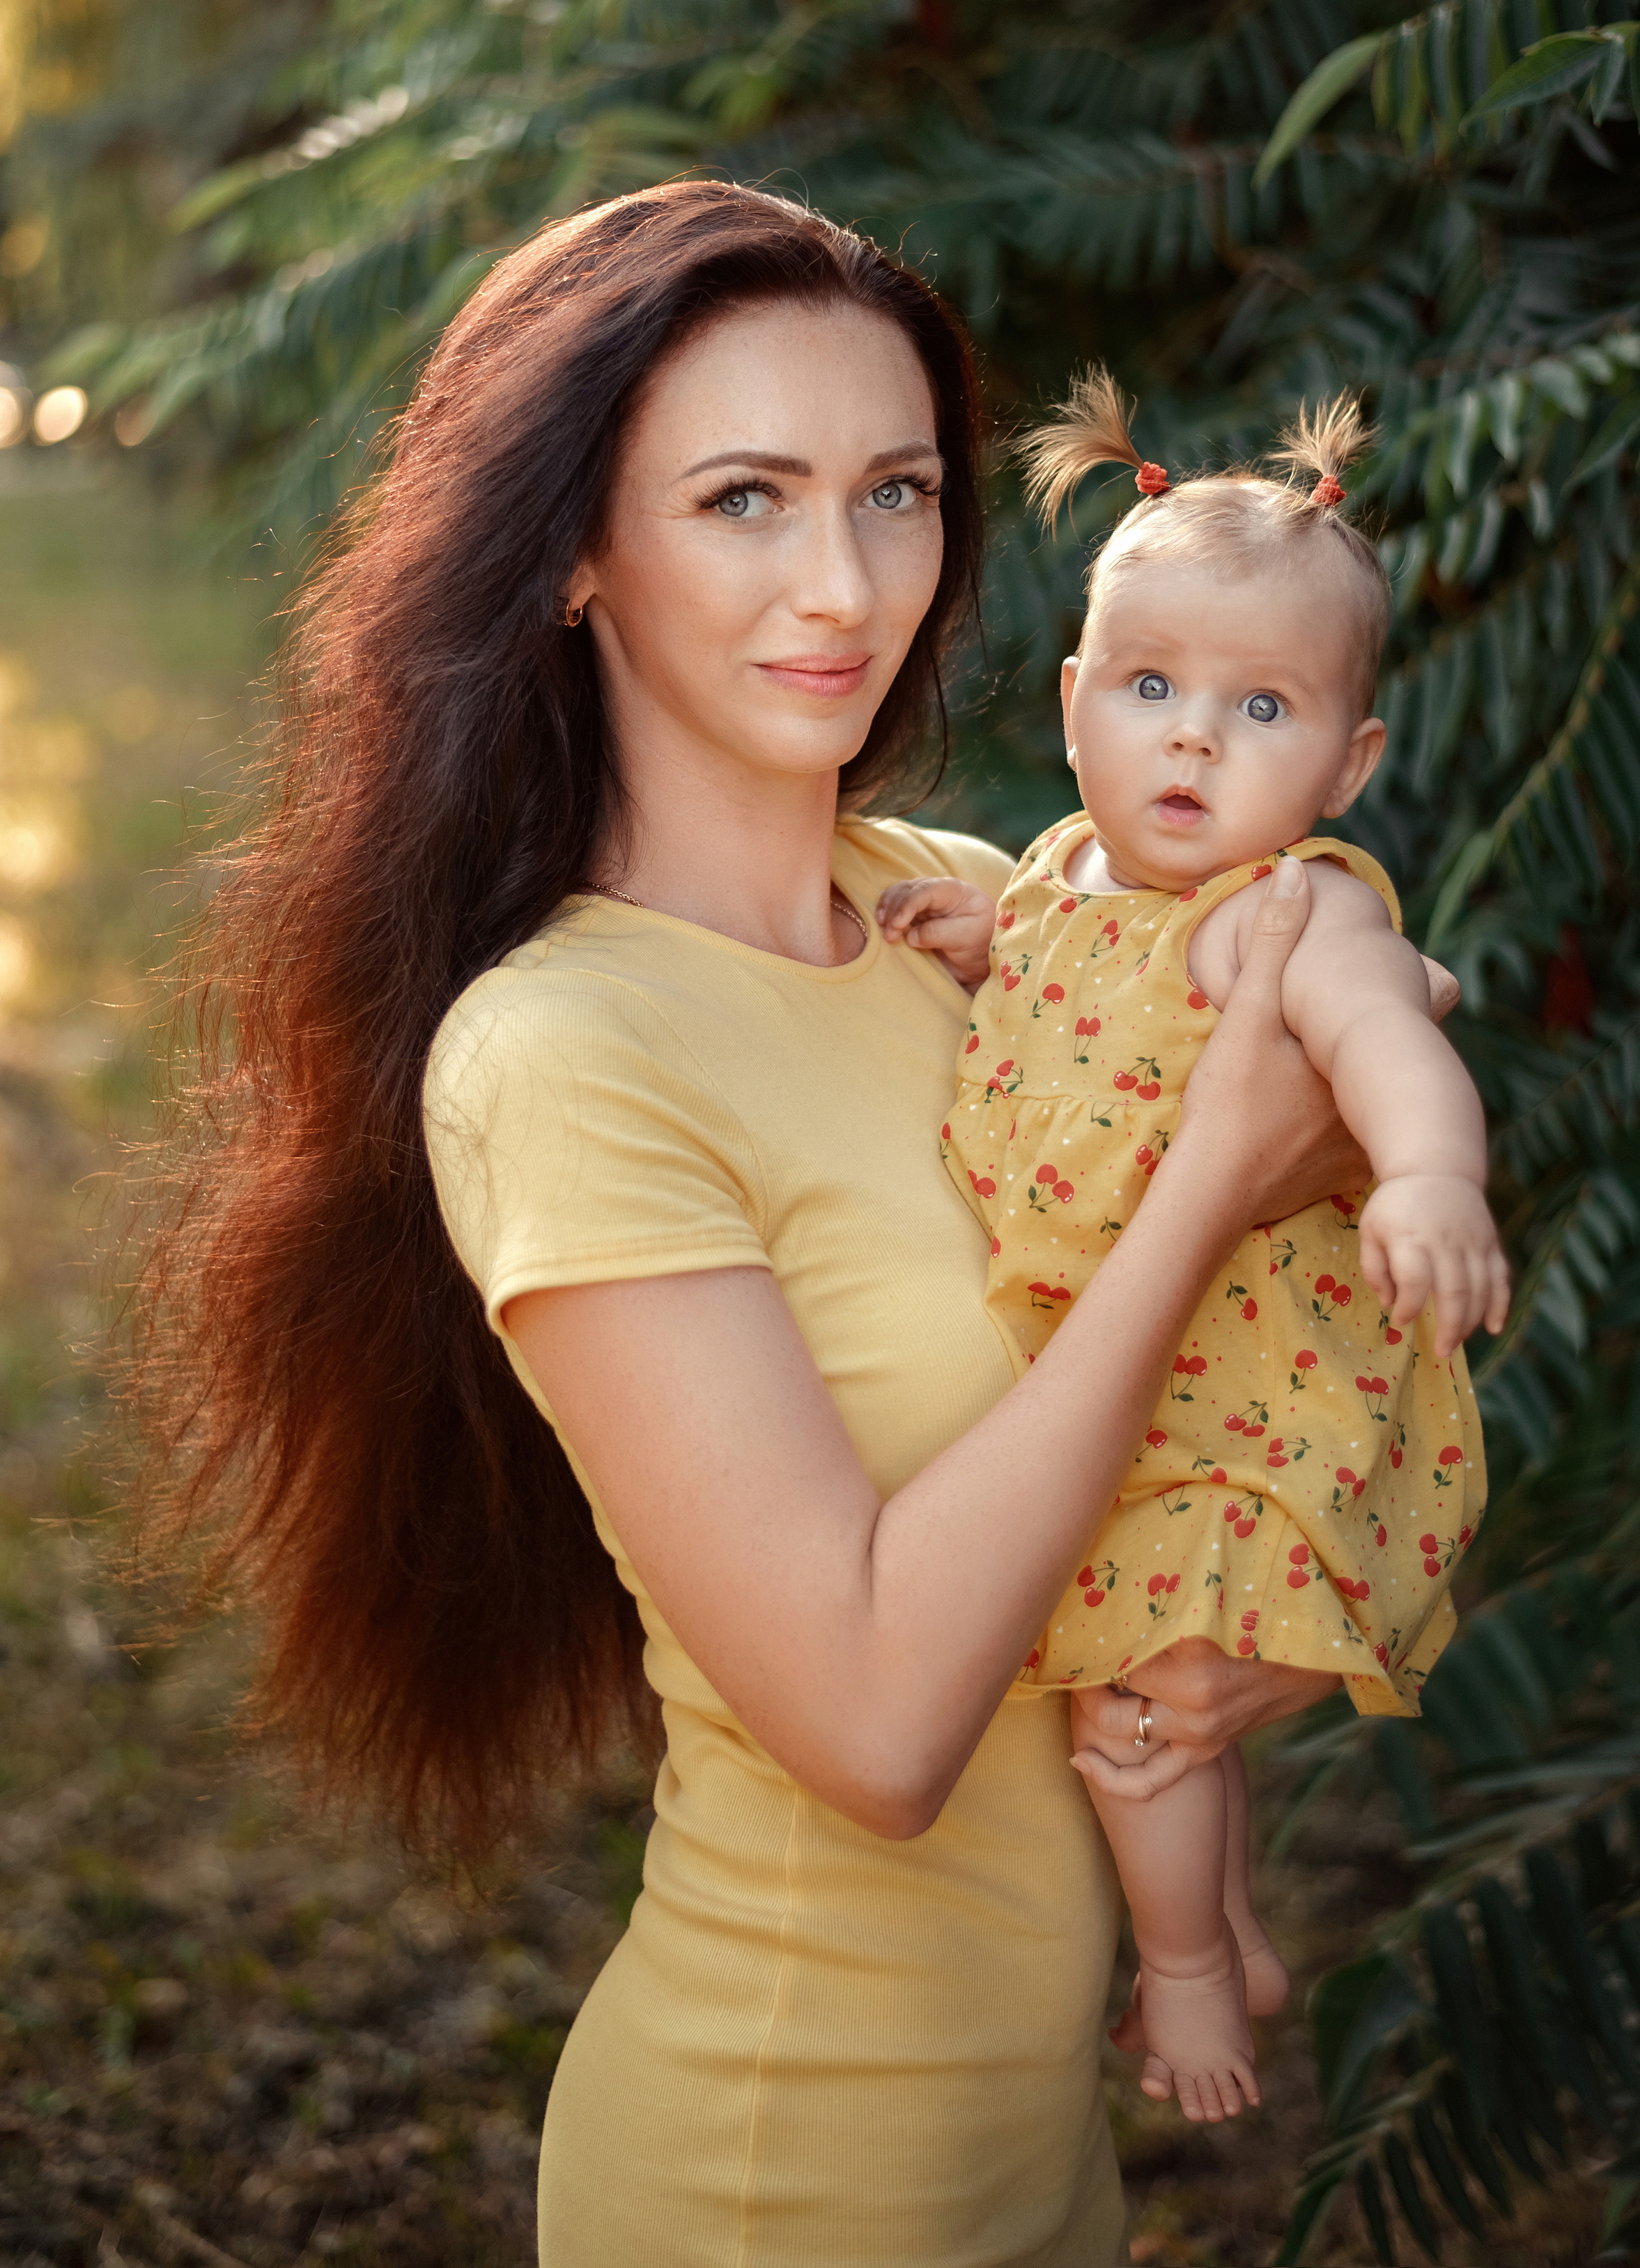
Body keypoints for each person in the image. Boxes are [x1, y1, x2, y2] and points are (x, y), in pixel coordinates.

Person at [132, 183, 1458, 2268]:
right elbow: (874, 1721)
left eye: (899, 492)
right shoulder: (568, 1051)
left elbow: (1306, 1314)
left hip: (1041, 2168)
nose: (847, 583)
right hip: (788, 2173)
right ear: (573, 548)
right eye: (745, 498)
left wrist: (1245, 1663)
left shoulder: (978, 901)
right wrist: (1212, 1177)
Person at [876, 369, 1507, 2131]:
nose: (1189, 743)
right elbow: (1063, 988)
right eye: (1148, 690)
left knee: (1139, 1716)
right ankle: (1224, 1925)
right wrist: (977, 935)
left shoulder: (1286, 916)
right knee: (1149, 1693)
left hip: (1236, 1394)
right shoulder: (1064, 872)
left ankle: (1183, 1969)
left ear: (1345, 764)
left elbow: (1395, 1042)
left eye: (1257, 708)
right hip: (1127, 1381)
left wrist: (1425, 1182)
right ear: (1076, 702)